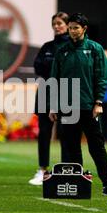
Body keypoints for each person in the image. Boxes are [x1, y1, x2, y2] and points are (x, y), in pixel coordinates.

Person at [49, 12, 107, 196]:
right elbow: (54, 79)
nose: (72, 31)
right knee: (70, 146)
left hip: (89, 107)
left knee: (96, 146)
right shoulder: (62, 50)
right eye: (71, 27)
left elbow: (101, 77)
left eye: (76, 28)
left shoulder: (95, 49)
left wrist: (98, 102)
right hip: (67, 107)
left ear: (84, 29)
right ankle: (75, 183)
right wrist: (53, 105)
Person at [29, 12, 72, 186]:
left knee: (65, 133)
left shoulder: (72, 45)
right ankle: (43, 170)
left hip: (66, 93)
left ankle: (65, 170)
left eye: (60, 23)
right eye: (54, 23)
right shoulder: (47, 46)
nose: (57, 26)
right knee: (44, 133)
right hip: (46, 92)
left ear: (67, 25)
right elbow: (38, 67)